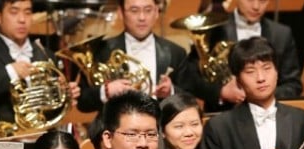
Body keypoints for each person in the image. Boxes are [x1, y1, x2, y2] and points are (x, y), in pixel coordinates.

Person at [0, 0, 80, 136]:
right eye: (14, 12)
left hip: (43, 138)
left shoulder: (45, 54)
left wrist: (63, 94)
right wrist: (10, 73)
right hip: (3, 142)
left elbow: (50, 107)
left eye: (27, 12)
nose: (22, 19)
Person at [76, 0, 213, 113]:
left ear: (156, 13)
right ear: (121, 13)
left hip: (160, 133)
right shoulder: (101, 50)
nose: (142, 17)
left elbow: (189, 97)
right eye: (134, 11)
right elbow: (83, 103)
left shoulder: (176, 52)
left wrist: (170, 91)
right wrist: (106, 91)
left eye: (148, 10)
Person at [196, 0, 302, 108]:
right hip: (223, 113)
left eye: (262, 1)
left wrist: (261, 94)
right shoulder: (213, 29)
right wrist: (221, 91)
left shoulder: (282, 34)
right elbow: (192, 78)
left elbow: (293, 84)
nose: (256, 7)